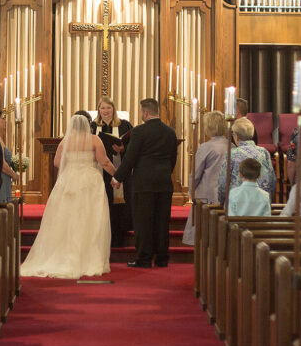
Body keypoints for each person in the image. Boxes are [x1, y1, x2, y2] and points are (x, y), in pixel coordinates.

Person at [20, 113, 116, 278]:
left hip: (68, 180)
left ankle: (65, 254)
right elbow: (104, 161)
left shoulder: (65, 141)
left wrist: (72, 165)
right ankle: (88, 258)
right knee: (90, 218)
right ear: (89, 124)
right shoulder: (94, 140)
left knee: (67, 218)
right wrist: (117, 176)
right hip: (89, 182)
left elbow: (57, 162)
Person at [113, 98, 178, 268]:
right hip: (164, 182)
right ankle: (162, 258)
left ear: (145, 113)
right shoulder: (170, 132)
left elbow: (130, 158)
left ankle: (144, 259)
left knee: (143, 222)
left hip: (143, 183)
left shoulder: (139, 131)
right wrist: (163, 174)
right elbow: (173, 159)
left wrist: (117, 177)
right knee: (162, 221)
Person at [182, 110, 229, 245]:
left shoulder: (206, 147)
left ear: (210, 127)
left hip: (207, 194)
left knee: (205, 236)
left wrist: (192, 191)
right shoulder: (231, 145)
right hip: (226, 194)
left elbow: (196, 174)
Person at [93, 97, 133, 248]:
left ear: (113, 109)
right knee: (102, 203)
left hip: (118, 170)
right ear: (99, 110)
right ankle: (100, 239)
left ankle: (118, 237)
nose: (106, 111)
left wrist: (123, 149)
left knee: (118, 206)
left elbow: (135, 145)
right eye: (102, 108)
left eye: (108, 108)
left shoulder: (124, 125)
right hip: (99, 171)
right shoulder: (93, 126)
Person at [218, 117, 274, 205]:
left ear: (236, 137)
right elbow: (271, 180)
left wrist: (221, 201)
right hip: (260, 203)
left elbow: (223, 182)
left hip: (237, 205)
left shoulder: (231, 154)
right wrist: (268, 200)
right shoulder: (264, 152)